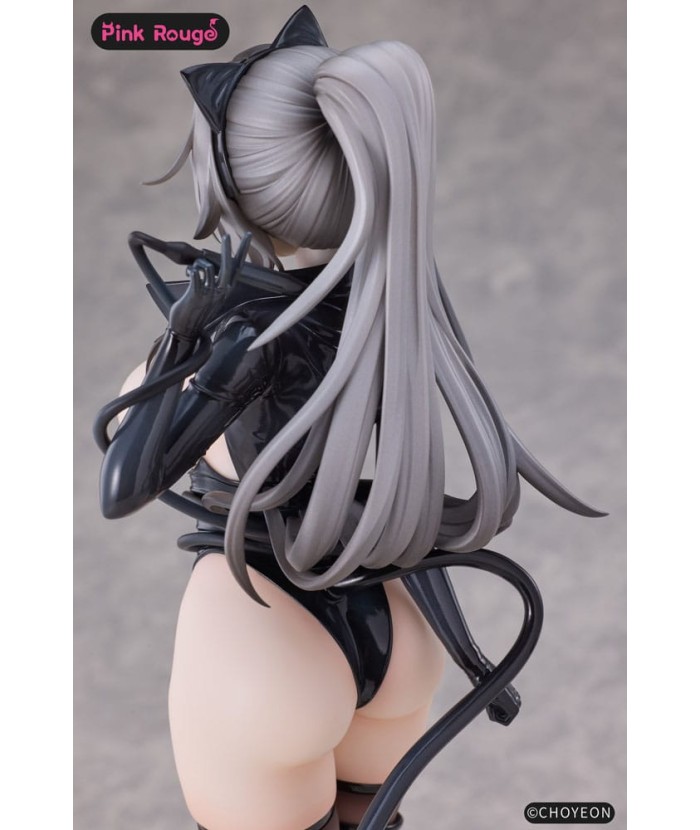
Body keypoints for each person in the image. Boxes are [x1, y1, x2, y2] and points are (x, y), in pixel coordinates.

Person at [95, 8, 602, 830]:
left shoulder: (241, 338)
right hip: (399, 620)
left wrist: (184, 350)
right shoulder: (393, 301)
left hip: (263, 631)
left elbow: (122, 487)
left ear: (231, 186)